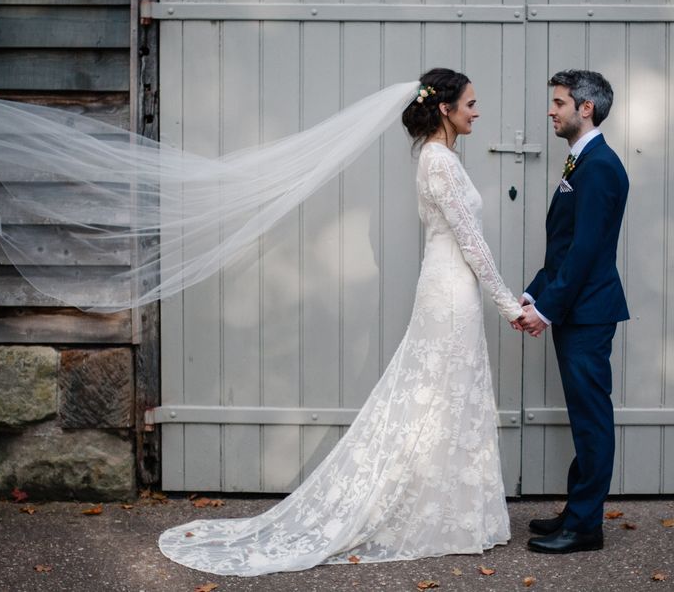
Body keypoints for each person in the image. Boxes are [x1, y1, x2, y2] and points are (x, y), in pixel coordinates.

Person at [156, 68, 525, 575]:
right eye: (471, 103)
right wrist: (509, 304)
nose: (477, 111)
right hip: (450, 291)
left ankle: (455, 514)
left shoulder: (437, 157)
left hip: (449, 285)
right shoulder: (438, 161)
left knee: (448, 397)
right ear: (445, 108)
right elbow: (473, 244)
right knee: (440, 395)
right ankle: (435, 514)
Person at [517, 70, 629, 554]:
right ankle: (576, 510)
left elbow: (585, 251)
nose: (551, 110)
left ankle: (586, 527)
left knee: (591, 419)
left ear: (586, 108)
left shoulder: (600, 165)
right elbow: (563, 248)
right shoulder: (581, 161)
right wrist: (534, 295)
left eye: (559, 102)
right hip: (575, 307)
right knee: (585, 418)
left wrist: (547, 311)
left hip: (587, 312)